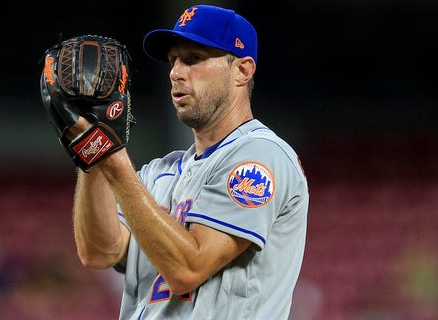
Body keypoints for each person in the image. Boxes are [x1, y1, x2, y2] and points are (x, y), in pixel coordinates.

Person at [53, 4, 309, 319]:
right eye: (174, 60)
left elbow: (189, 268)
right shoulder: (159, 173)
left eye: (194, 59)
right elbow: (99, 252)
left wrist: (115, 159)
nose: (176, 72)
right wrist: (92, 151)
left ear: (242, 70)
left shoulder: (260, 156)